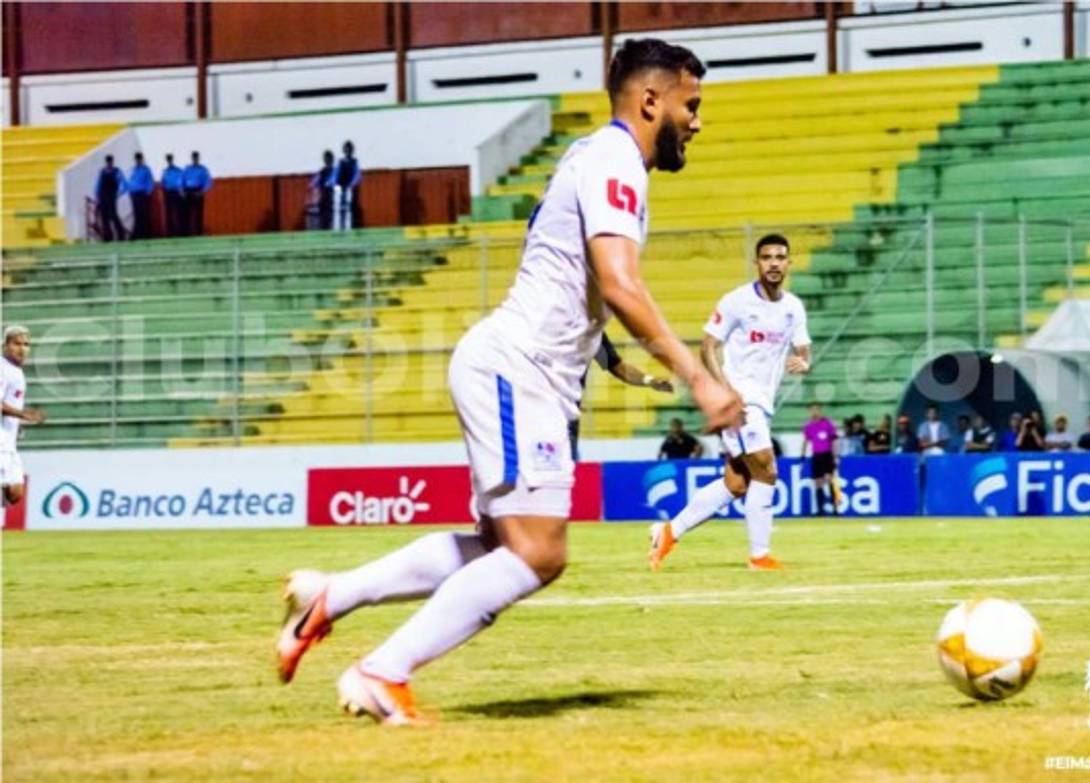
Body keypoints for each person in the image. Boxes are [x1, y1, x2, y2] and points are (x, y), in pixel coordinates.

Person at [275, 39, 738, 725]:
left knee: (501, 546)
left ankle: (331, 596)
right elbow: (618, 282)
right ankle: (381, 672)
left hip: (523, 371)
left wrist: (607, 359)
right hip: (519, 371)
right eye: (690, 105)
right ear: (650, 100)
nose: (697, 122)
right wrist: (698, 376)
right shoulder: (617, 163)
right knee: (539, 552)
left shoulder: (588, 157)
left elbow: (578, 285)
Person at [650, 233, 811, 569]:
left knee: (736, 483)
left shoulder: (793, 307)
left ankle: (669, 532)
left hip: (762, 403)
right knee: (767, 469)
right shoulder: (737, 301)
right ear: (757, 263)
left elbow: (803, 350)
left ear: (788, 263)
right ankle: (759, 555)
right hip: (739, 401)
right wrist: (725, 392)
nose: (773, 264)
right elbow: (707, 346)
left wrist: (803, 362)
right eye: (767, 258)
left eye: (780, 257)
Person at [573, 332, 674, 461]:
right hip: (542, 409)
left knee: (565, 470)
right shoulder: (542, 324)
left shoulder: (592, 334)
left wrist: (650, 381)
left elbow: (617, 367)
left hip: (568, 417)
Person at [2, 326, 47, 507]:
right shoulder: (3, 369)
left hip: (8, 441)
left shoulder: (16, 371)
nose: (22, 349)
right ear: (5, 345)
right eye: (17, 343)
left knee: (15, 493)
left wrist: (17, 422)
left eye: (26, 344)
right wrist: (24, 414)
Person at [800, 403, 838, 516]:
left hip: (827, 455)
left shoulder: (827, 424)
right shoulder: (808, 426)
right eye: (812, 410)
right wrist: (802, 455)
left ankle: (835, 509)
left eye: (817, 409)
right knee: (818, 482)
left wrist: (835, 456)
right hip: (816, 456)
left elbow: (834, 440)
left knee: (830, 480)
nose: (814, 412)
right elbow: (806, 441)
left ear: (820, 410)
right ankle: (820, 510)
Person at [93, 154, 127, 241]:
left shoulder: (117, 171)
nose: (109, 163)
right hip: (102, 196)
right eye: (108, 161)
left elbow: (124, 184)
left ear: (112, 161)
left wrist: (119, 193)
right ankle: (107, 237)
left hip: (112, 196)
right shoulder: (102, 171)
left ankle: (121, 235)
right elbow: (98, 185)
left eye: (110, 161)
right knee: (104, 217)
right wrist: (97, 196)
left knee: (113, 216)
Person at [126, 152, 155, 240]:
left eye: (139, 158)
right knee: (137, 215)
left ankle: (145, 234)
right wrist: (130, 192)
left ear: (141, 159)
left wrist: (148, 192)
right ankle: (138, 234)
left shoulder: (146, 169)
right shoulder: (133, 169)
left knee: (144, 215)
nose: (138, 160)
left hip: (142, 194)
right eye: (136, 158)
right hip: (134, 194)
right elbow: (131, 181)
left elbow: (150, 182)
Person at [182, 151, 212, 236]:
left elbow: (208, 182)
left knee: (199, 214)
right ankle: (187, 233)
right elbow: (182, 180)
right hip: (188, 191)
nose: (195, 159)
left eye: (196, 157)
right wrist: (182, 190)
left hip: (198, 191)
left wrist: (202, 192)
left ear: (198, 158)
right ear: (192, 158)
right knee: (187, 213)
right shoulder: (187, 169)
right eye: (193, 157)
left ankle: (199, 233)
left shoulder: (203, 169)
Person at [336, 140, 362, 229]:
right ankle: (341, 228)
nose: (348, 151)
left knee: (352, 210)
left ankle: (352, 228)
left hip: (351, 189)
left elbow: (357, 174)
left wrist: (353, 183)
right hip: (342, 189)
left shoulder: (354, 161)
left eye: (349, 149)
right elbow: (336, 174)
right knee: (341, 209)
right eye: (346, 149)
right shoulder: (341, 162)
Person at [310, 150, 336, 231]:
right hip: (325, 200)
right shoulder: (322, 172)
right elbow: (313, 184)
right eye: (326, 159)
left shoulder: (335, 171)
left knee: (331, 221)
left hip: (332, 200)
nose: (327, 161)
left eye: (328, 159)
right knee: (325, 221)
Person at [160, 154, 185, 237]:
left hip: (177, 192)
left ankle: (181, 232)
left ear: (172, 160)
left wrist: (181, 191)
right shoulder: (165, 171)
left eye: (170, 159)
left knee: (179, 213)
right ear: (167, 160)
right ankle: (170, 233)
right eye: (168, 159)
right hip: (168, 193)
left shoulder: (178, 170)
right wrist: (163, 192)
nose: (169, 161)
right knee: (169, 213)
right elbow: (163, 183)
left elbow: (182, 181)